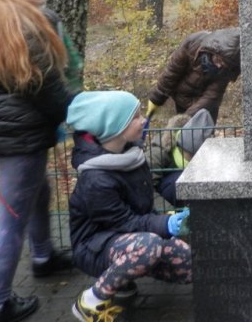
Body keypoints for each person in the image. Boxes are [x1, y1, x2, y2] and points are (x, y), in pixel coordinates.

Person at [0, 0, 78, 322]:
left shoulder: (4, 20)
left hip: (11, 129)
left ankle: (44, 256)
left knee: (39, 192)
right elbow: (47, 91)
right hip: (19, 137)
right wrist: (85, 112)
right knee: (11, 222)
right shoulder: (19, 29)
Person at [67, 90, 192, 322]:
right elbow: (125, 222)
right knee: (149, 245)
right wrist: (166, 224)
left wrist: (171, 224)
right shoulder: (96, 180)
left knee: (189, 262)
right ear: (115, 128)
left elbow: (142, 210)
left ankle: (122, 279)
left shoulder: (131, 157)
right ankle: (91, 301)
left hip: (125, 237)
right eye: (135, 117)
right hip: (93, 246)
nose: (143, 120)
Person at [144, 28, 240, 197]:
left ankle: (194, 185)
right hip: (181, 95)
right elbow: (171, 74)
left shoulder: (225, 68)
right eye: (218, 60)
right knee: (172, 144)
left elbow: (211, 97)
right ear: (212, 50)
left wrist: (185, 122)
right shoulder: (192, 44)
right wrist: (157, 99)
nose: (219, 66)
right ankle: (173, 183)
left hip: (203, 107)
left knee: (194, 140)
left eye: (224, 64)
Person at [146, 108, 215, 207]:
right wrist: (169, 212)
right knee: (179, 180)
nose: (193, 161)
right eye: (191, 156)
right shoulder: (158, 153)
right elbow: (146, 191)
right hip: (164, 198)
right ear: (180, 147)